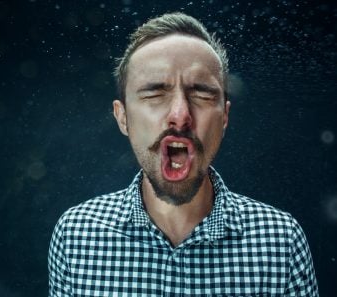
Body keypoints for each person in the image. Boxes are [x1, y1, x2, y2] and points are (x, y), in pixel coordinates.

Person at [48, 12, 319, 296]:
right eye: (154, 93)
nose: (180, 115)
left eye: (202, 94)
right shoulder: (76, 235)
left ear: (224, 117)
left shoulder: (281, 241)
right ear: (123, 117)